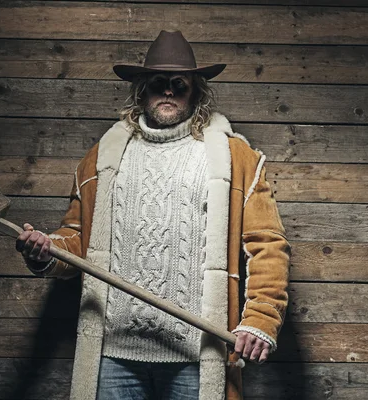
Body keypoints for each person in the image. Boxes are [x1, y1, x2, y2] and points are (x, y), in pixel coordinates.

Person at [16, 30, 290, 400]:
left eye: (179, 84)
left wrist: (260, 320)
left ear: (196, 92)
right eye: (158, 83)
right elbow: (76, 239)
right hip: (114, 353)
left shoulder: (235, 159)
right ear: (141, 90)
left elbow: (267, 246)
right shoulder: (102, 160)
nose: (169, 92)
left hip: (196, 353)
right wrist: (45, 249)